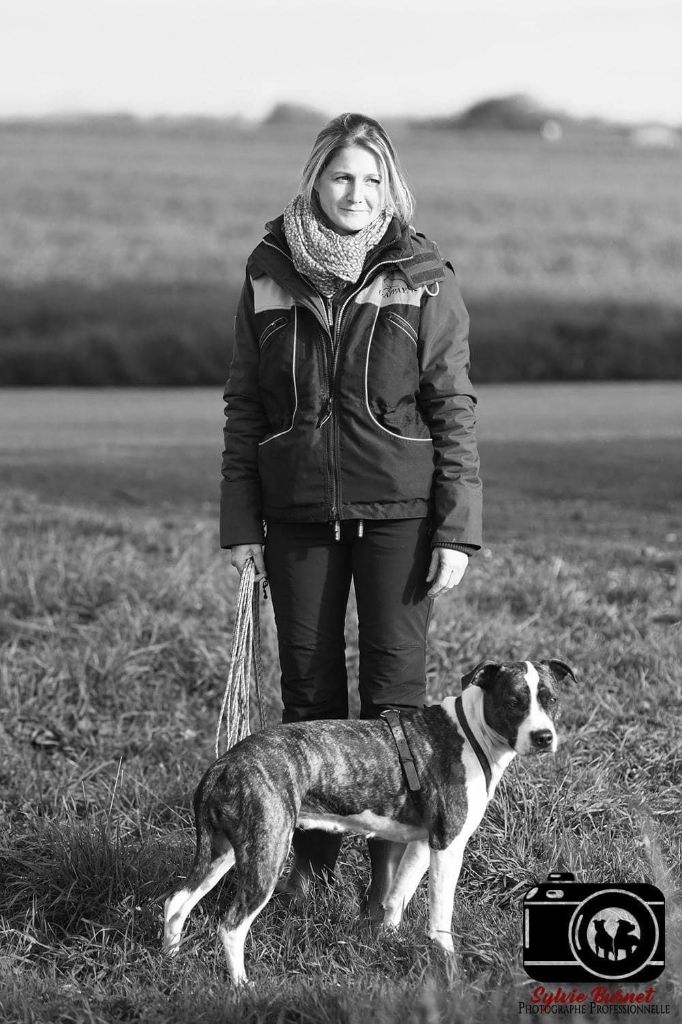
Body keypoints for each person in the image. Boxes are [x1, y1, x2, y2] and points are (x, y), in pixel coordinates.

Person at [220, 112, 482, 917]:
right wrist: (241, 525)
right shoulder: (267, 274)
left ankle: (386, 890)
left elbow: (453, 407)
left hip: (401, 515)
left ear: (390, 188)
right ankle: (306, 874)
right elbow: (245, 407)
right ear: (316, 182)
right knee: (308, 694)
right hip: (296, 513)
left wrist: (457, 530)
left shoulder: (424, 276)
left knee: (396, 705)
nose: (356, 193)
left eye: (372, 179)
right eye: (342, 177)